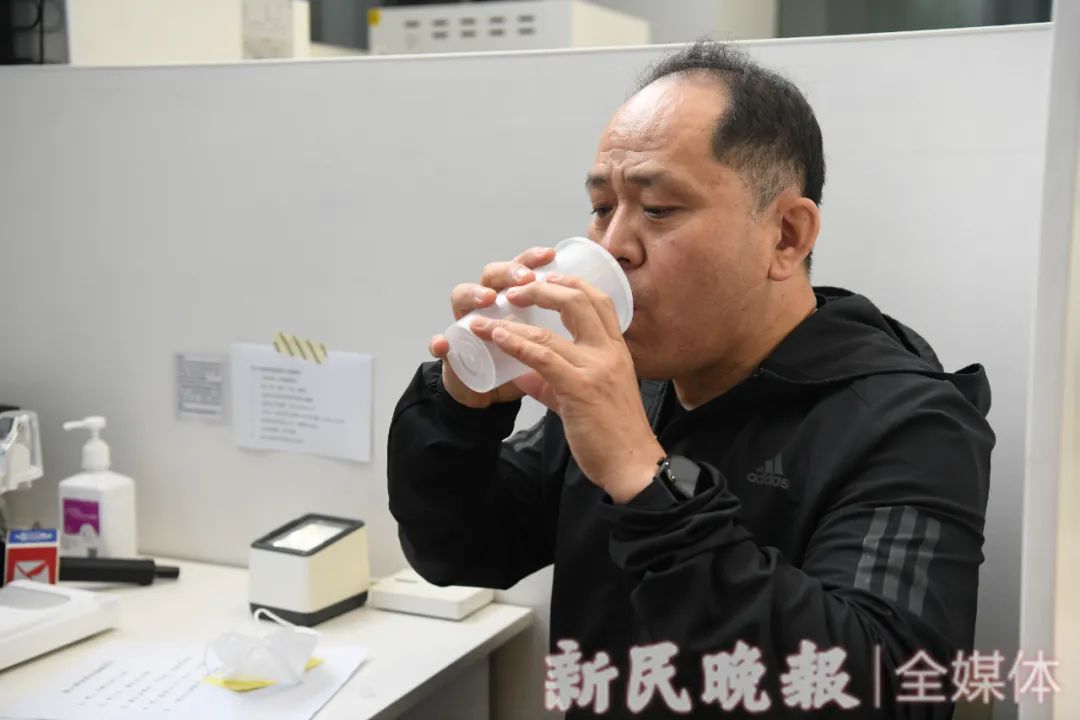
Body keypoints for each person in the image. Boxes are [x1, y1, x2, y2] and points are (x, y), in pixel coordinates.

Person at [388, 41, 993, 719]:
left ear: (787, 236)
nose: (613, 246)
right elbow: (457, 549)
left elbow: (885, 691)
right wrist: (461, 409)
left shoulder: (910, 423)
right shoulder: (636, 381)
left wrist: (646, 481)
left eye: (657, 209)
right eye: (602, 207)